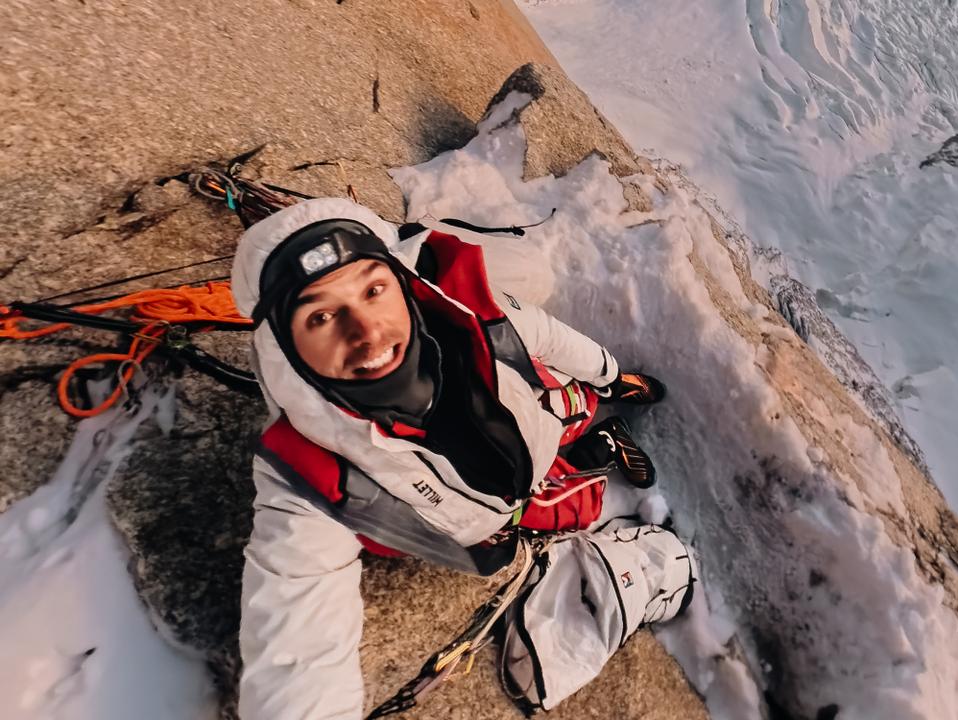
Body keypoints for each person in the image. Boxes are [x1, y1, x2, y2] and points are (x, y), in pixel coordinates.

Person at [230, 197, 695, 719]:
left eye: (373, 290)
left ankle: (591, 417)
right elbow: (296, 645)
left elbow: (542, 334)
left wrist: (609, 375)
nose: (366, 333)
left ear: (402, 281)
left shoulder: (471, 311)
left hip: (532, 427)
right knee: (579, 507)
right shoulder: (305, 481)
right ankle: (599, 448)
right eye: (321, 315)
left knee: (569, 400)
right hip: (495, 515)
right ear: (285, 348)